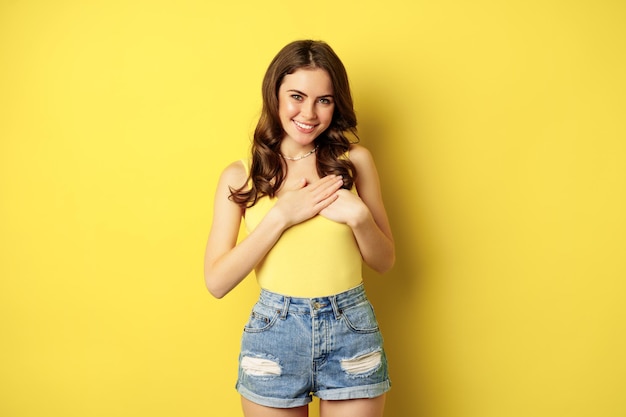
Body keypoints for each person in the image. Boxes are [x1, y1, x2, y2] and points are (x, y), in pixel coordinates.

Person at [204, 40, 395, 417]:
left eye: (324, 100)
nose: (309, 112)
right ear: (274, 93)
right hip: (275, 334)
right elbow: (217, 281)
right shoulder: (242, 175)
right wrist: (280, 217)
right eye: (296, 96)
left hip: (350, 330)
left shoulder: (354, 163)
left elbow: (385, 261)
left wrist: (360, 218)